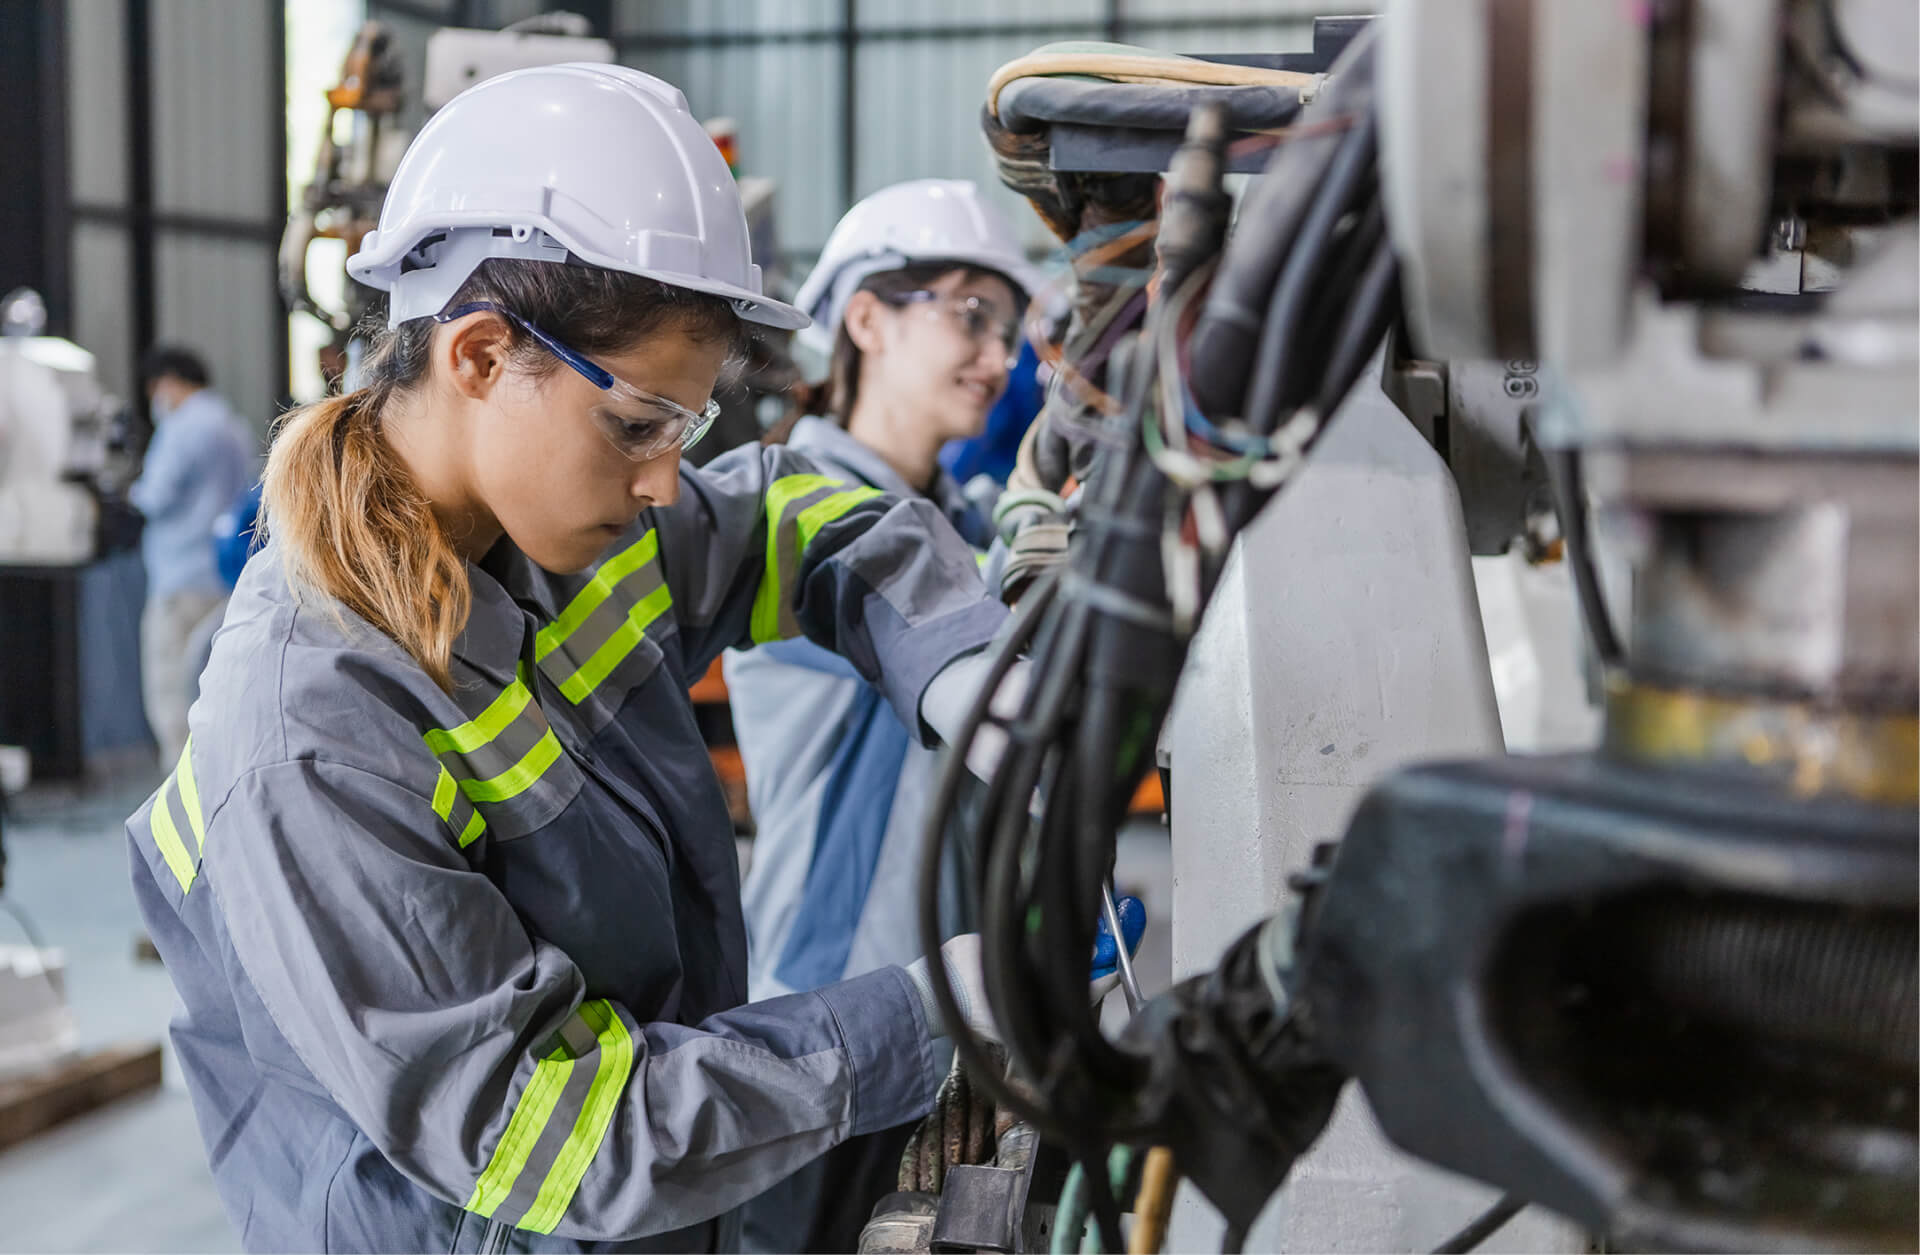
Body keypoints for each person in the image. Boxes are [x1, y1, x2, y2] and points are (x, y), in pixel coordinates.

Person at [124, 65, 1018, 1253]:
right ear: (482, 355)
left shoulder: (554, 536)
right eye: (640, 425)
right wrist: (932, 1019)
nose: (664, 481)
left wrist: (971, 669)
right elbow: (564, 1136)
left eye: (685, 430)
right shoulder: (316, 728)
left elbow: (802, 509)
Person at [723, 179, 1036, 1251]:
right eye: (971, 315)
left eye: (1011, 328)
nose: (1000, 356)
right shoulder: (795, 514)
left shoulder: (962, 523)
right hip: (830, 1016)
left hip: (946, 1014)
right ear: (867, 317)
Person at [127, 345, 255, 761]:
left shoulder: (182, 427)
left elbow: (154, 497)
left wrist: (127, 490)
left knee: (172, 691)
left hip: (179, 579)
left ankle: (178, 794)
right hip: (224, 578)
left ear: (168, 383)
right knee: (215, 687)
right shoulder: (233, 426)